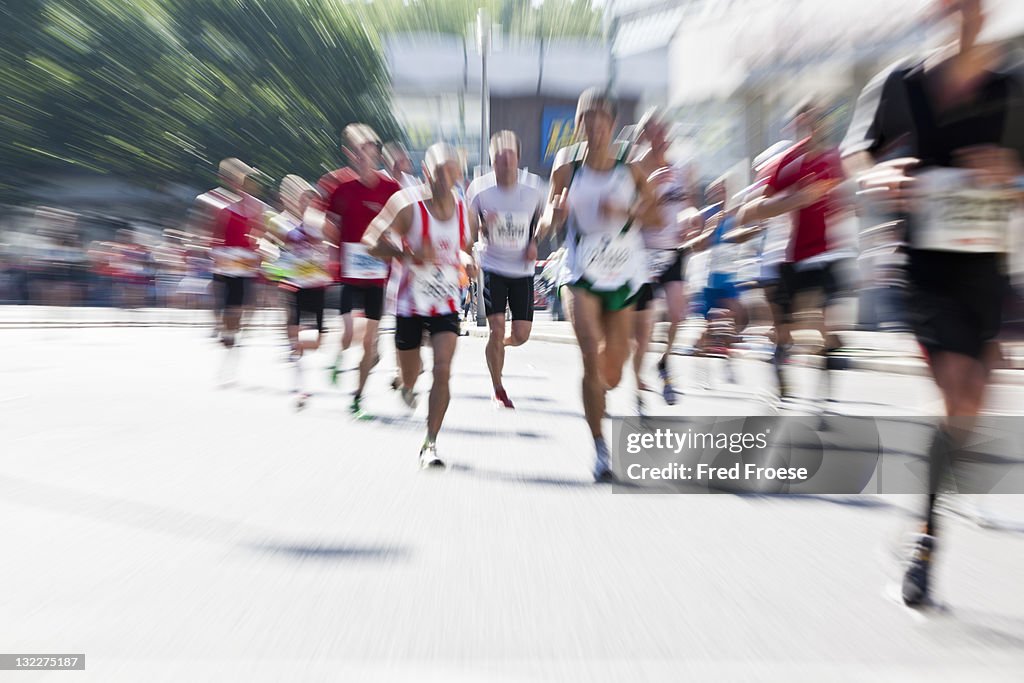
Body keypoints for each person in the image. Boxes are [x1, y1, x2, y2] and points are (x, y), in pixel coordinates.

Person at [841, 0, 1024, 606]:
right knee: (955, 387)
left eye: (973, 8)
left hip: (987, 267)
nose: (963, 17)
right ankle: (926, 542)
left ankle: (925, 515)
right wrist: (879, 179)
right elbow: (857, 153)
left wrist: (1011, 176)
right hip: (924, 267)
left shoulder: (1010, 89)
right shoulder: (901, 84)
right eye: (952, 8)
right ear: (938, 14)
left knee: (969, 412)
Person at [537, 88, 664, 482]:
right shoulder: (565, 167)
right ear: (579, 126)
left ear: (611, 125)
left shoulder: (632, 167)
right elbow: (545, 222)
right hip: (580, 272)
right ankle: (600, 449)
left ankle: (599, 395)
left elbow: (657, 217)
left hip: (621, 275)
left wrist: (627, 210)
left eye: (601, 120)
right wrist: (554, 218)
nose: (594, 127)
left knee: (613, 371)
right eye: (586, 120)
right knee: (590, 355)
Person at [364, 143, 479, 469]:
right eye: (440, 171)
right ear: (427, 173)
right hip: (409, 306)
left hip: (445, 303)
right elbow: (371, 242)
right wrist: (407, 255)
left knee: (443, 370)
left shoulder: (462, 209)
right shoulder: (407, 205)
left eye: (453, 171)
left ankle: (431, 444)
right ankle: (405, 381)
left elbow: (463, 248)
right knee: (412, 377)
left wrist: (468, 260)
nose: (447, 178)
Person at [740, 99, 851, 405]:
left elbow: (843, 197)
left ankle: (823, 397)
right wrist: (794, 201)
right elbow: (754, 209)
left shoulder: (834, 159)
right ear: (801, 123)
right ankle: (779, 369)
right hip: (789, 256)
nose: (819, 124)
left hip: (826, 253)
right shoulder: (788, 161)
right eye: (812, 119)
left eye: (823, 118)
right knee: (784, 331)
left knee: (827, 324)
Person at [319, 124, 401, 417]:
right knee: (349, 332)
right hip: (348, 274)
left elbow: (402, 223)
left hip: (377, 277)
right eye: (358, 152)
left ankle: (358, 397)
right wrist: (332, 244)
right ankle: (339, 358)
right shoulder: (340, 188)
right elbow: (328, 225)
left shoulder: (391, 189)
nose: (364, 157)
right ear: (349, 154)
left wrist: (393, 243)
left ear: (377, 154)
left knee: (369, 340)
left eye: (370, 152)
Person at [466, 131, 545, 408]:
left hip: (522, 270)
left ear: (518, 158)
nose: (504, 162)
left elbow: (541, 221)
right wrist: (477, 238)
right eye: (498, 157)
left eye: (509, 156)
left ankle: (498, 348)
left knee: (520, 336)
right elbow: (470, 227)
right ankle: (497, 386)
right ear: (491, 160)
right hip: (493, 266)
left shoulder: (534, 189)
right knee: (497, 329)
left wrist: (534, 241)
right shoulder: (479, 189)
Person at [630, 109, 697, 409]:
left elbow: (686, 205)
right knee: (642, 328)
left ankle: (664, 361)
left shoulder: (679, 170)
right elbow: (631, 214)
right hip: (642, 252)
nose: (661, 138)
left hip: (673, 250)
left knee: (677, 314)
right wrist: (652, 189)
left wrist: (691, 217)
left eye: (664, 132)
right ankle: (637, 381)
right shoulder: (636, 170)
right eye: (654, 132)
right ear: (644, 136)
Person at [267, 176, 334, 409]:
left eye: (310, 199)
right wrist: (273, 263)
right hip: (294, 286)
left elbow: (332, 245)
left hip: (317, 286)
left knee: (317, 342)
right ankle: (301, 389)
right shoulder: (281, 223)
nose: (306, 203)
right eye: (302, 199)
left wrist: (325, 256)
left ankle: (294, 348)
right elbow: (268, 247)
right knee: (295, 334)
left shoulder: (319, 222)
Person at [209, 162, 265, 350]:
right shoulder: (220, 202)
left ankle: (230, 329)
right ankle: (225, 328)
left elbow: (260, 232)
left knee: (239, 301)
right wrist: (216, 253)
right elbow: (215, 233)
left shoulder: (255, 206)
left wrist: (259, 249)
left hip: (244, 260)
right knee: (226, 299)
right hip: (225, 258)